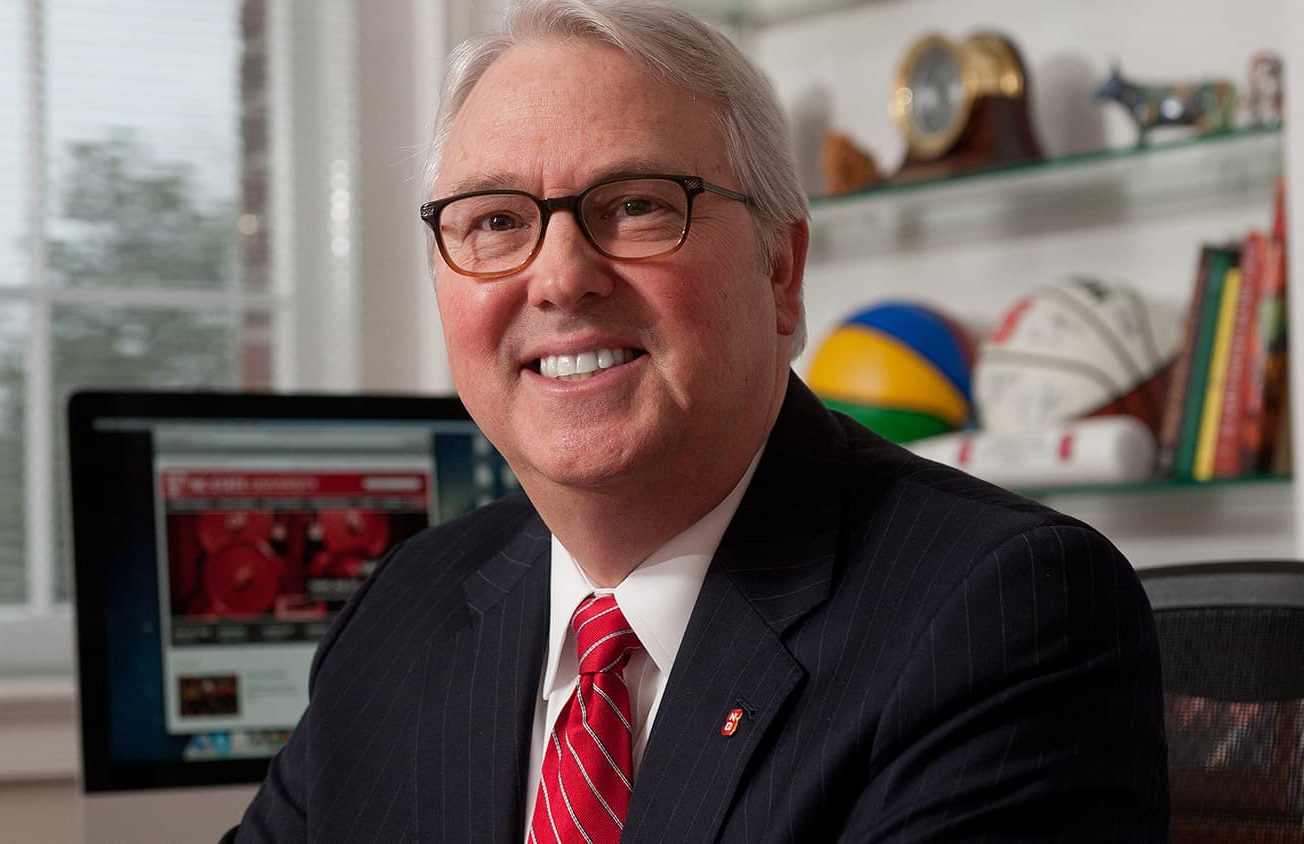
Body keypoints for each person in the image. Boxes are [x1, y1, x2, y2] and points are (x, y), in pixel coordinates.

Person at [225, 0, 1169, 840]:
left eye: (636, 206)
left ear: (780, 272)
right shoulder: (407, 605)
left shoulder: (1003, 613)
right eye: (496, 222)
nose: (558, 278)